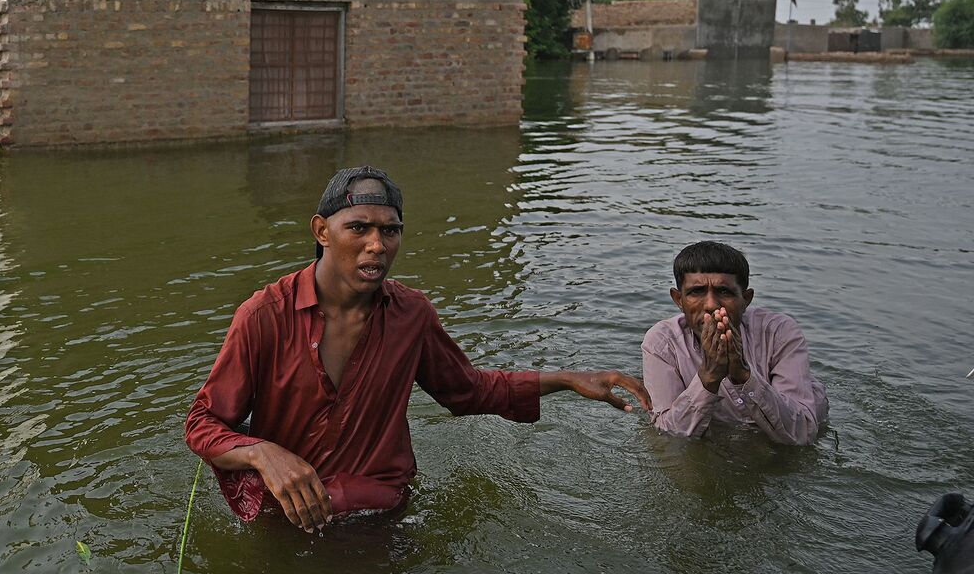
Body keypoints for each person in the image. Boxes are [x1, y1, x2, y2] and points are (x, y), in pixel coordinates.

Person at [184, 165, 652, 532]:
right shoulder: (265, 314)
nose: (376, 245)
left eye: (390, 231)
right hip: (288, 518)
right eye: (359, 228)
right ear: (322, 232)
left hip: (381, 516)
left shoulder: (412, 315)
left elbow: (468, 391)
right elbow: (203, 423)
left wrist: (568, 379)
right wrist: (263, 453)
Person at [641, 240, 828, 444]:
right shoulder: (661, 342)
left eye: (724, 292)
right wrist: (708, 377)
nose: (711, 305)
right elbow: (667, 435)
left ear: (746, 299)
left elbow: (803, 432)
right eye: (697, 292)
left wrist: (743, 374)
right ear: (678, 299)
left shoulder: (778, 333)